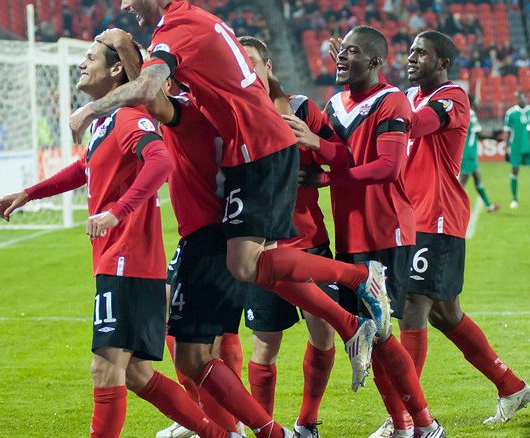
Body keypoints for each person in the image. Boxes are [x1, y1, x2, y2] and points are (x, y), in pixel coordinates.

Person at [68, 1, 391, 406]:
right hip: (247, 160)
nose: (124, 5)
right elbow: (153, 94)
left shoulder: (180, 39)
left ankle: (361, 282)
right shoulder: (194, 77)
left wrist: (93, 107)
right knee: (248, 278)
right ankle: (350, 316)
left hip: (250, 160)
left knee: (225, 312)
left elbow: (149, 92)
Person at [0, 39, 241, 438]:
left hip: (128, 261)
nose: (81, 64)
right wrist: (29, 193)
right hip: (120, 262)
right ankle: (220, 435)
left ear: (117, 70)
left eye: (90, 58)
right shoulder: (108, 121)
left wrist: (117, 211)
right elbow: (83, 168)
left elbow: (162, 160)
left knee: (105, 368)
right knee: (138, 374)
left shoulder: (128, 116)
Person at [98, 30, 291, 438]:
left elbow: (149, 98)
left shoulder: (194, 114)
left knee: (193, 354)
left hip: (207, 235)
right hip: (221, 231)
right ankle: (237, 428)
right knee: (204, 344)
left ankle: (250, 430)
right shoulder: (232, 112)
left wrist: (125, 45)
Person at [290, 26, 445, 438]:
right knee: (368, 335)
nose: (341, 58)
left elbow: (387, 167)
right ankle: (406, 423)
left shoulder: (391, 100)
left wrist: (325, 180)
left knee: (379, 338)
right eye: (342, 52)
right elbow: (339, 152)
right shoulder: (336, 102)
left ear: (376, 62)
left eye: (354, 53)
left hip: (386, 232)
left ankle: (416, 423)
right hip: (350, 236)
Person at [377, 30, 528, 436]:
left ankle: (405, 418)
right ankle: (511, 386)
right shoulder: (406, 97)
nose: (411, 59)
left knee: (412, 306)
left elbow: (420, 125)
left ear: (442, 63)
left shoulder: (452, 96)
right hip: (410, 219)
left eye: (421, 54)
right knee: (447, 314)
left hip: (438, 217)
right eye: (409, 52)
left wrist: (371, 89)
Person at [238, 35, 337, 438]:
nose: (247, 71)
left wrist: (318, 176)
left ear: (268, 66)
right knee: (265, 344)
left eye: (252, 63)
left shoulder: (301, 109)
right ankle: (264, 429)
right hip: (262, 249)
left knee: (324, 333)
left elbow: (338, 156)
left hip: (308, 240)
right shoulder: (231, 114)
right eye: (239, 64)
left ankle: (307, 421)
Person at [459, 95, 500, 213]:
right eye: (477, 101)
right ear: (472, 102)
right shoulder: (471, 113)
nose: (478, 103)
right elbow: (479, 133)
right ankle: (452, 209)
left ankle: (489, 205)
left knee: (477, 178)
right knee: (461, 185)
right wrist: (493, 136)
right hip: (468, 153)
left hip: (470, 153)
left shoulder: (465, 112)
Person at [504, 90, 530, 209]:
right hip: (516, 147)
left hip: (528, 146)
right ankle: (514, 199)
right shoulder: (511, 113)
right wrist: (506, 148)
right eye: (517, 98)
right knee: (514, 171)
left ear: (525, 98)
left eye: (520, 97)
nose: (519, 100)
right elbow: (507, 132)